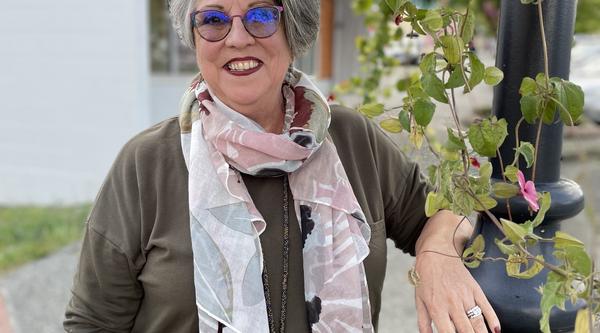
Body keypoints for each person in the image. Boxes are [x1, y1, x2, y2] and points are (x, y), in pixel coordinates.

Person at [63, 0, 501, 332]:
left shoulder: (351, 140)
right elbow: (91, 323)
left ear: (293, 28)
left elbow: (445, 210)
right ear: (194, 36)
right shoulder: (145, 165)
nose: (237, 38)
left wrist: (437, 254)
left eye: (260, 16)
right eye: (213, 19)